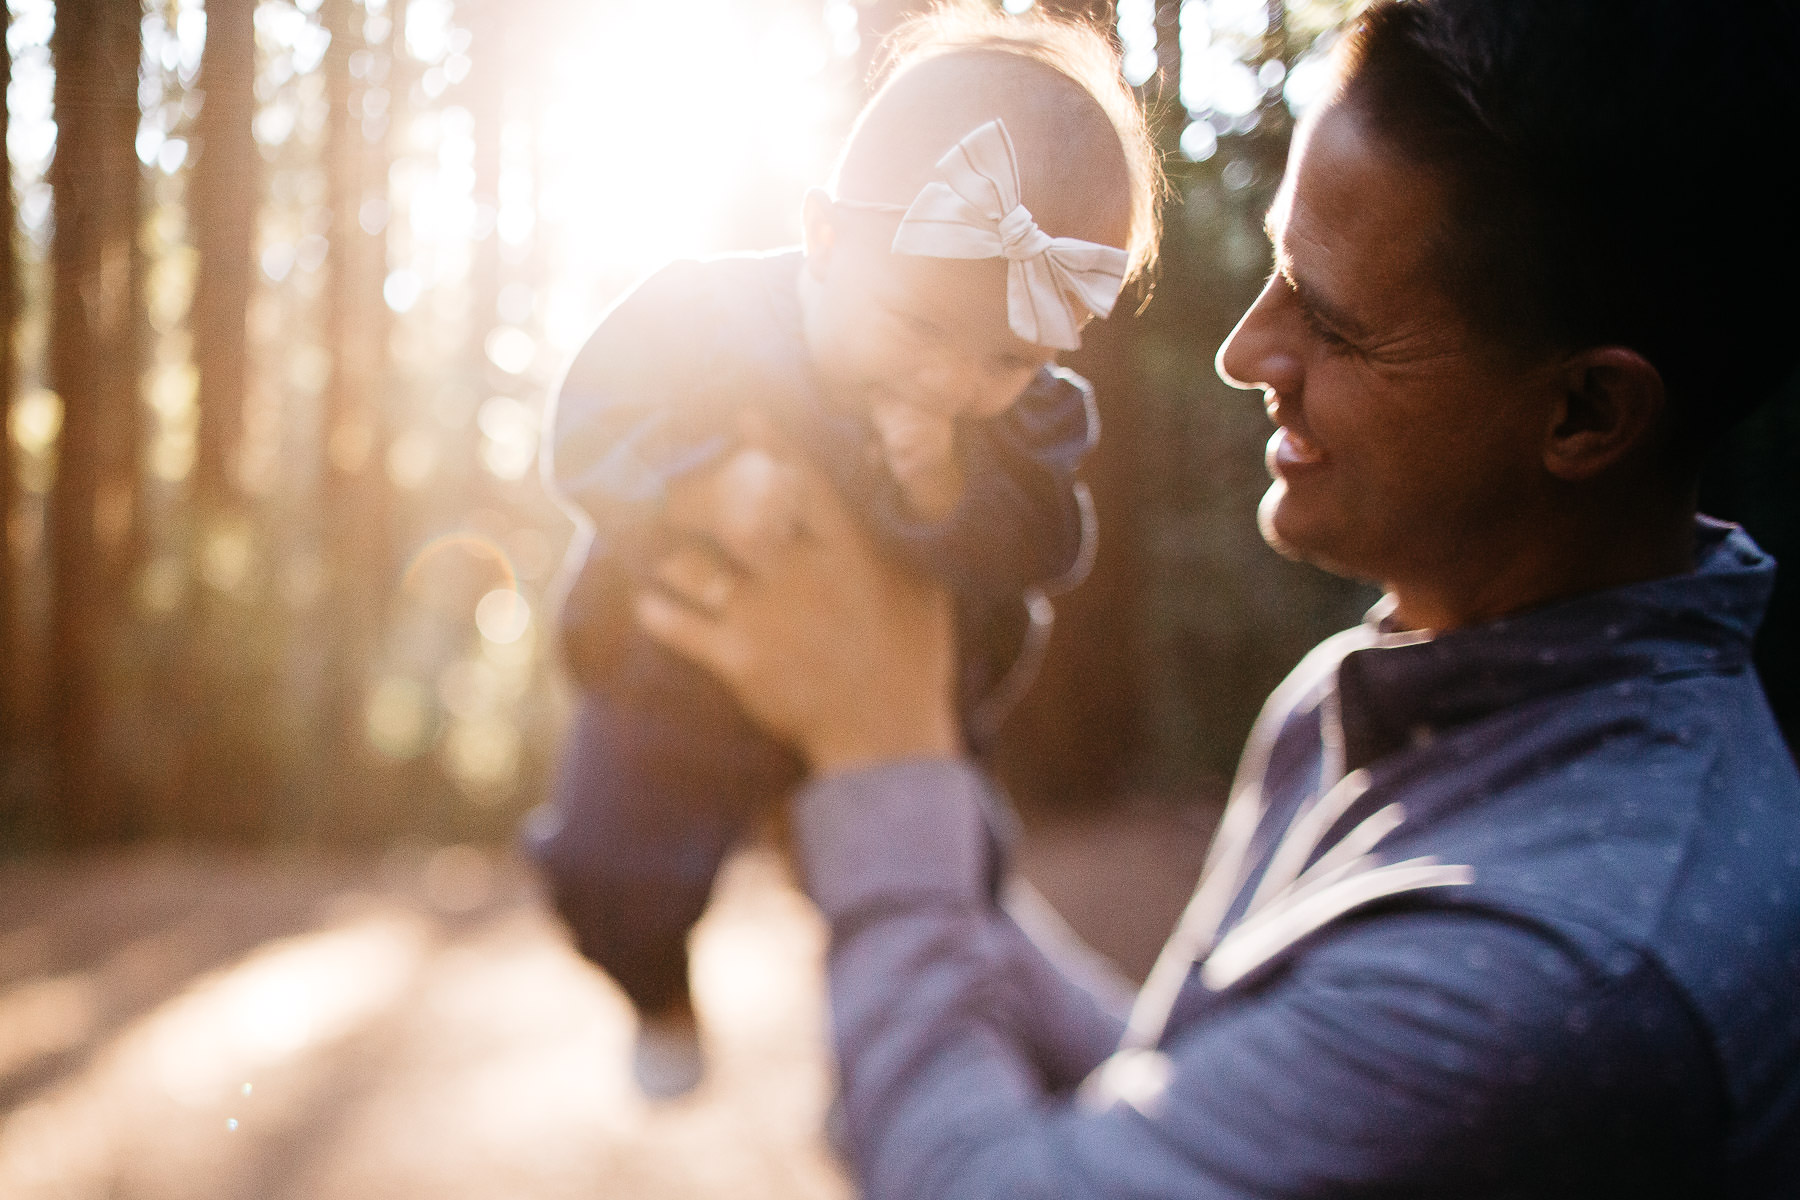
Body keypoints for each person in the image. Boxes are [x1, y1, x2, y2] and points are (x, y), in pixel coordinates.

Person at [637, 0, 1800, 1194]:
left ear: (1585, 415)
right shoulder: (1366, 696)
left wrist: (879, 752)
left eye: (1334, 325)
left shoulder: (1564, 973)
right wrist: (893, 836)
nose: (1246, 350)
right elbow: (1185, 1094)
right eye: (1278, 265)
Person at [527, 4, 1161, 1097]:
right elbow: (585, 428)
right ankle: (657, 990)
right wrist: (702, 483)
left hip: (896, 711)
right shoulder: (702, 314)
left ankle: (1004, 1059)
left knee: (961, 881)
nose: (952, 381)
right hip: (675, 683)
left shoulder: (1021, 416)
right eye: (919, 328)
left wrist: (949, 488)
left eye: (1008, 357)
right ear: (824, 237)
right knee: (603, 871)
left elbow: (1050, 545)